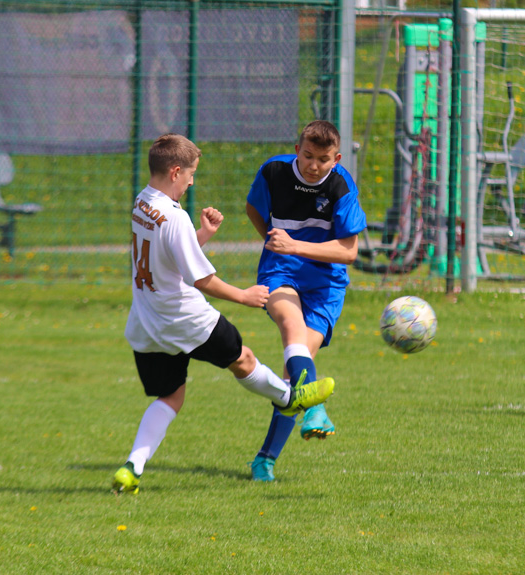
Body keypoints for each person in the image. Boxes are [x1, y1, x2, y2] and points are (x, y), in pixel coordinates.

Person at [113, 133, 335, 495]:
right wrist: (243, 296)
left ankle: (131, 468)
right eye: (190, 174)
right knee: (243, 360)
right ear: (175, 171)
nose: (192, 181)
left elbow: (169, 258)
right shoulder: (172, 216)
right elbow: (201, 278)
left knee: (170, 396)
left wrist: (202, 234)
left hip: (146, 321)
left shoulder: (142, 203)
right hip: (185, 318)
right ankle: (291, 397)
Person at [245, 120, 367, 481]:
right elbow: (254, 210)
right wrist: (274, 245)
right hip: (280, 273)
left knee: (295, 371)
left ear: (337, 158)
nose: (314, 165)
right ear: (297, 148)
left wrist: (294, 245)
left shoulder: (341, 185)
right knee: (290, 327)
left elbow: (349, 251)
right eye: (308, 155)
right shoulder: (274, 171)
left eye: (324, 159)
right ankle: (316, 410)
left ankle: (264, 459)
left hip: (326, 285)